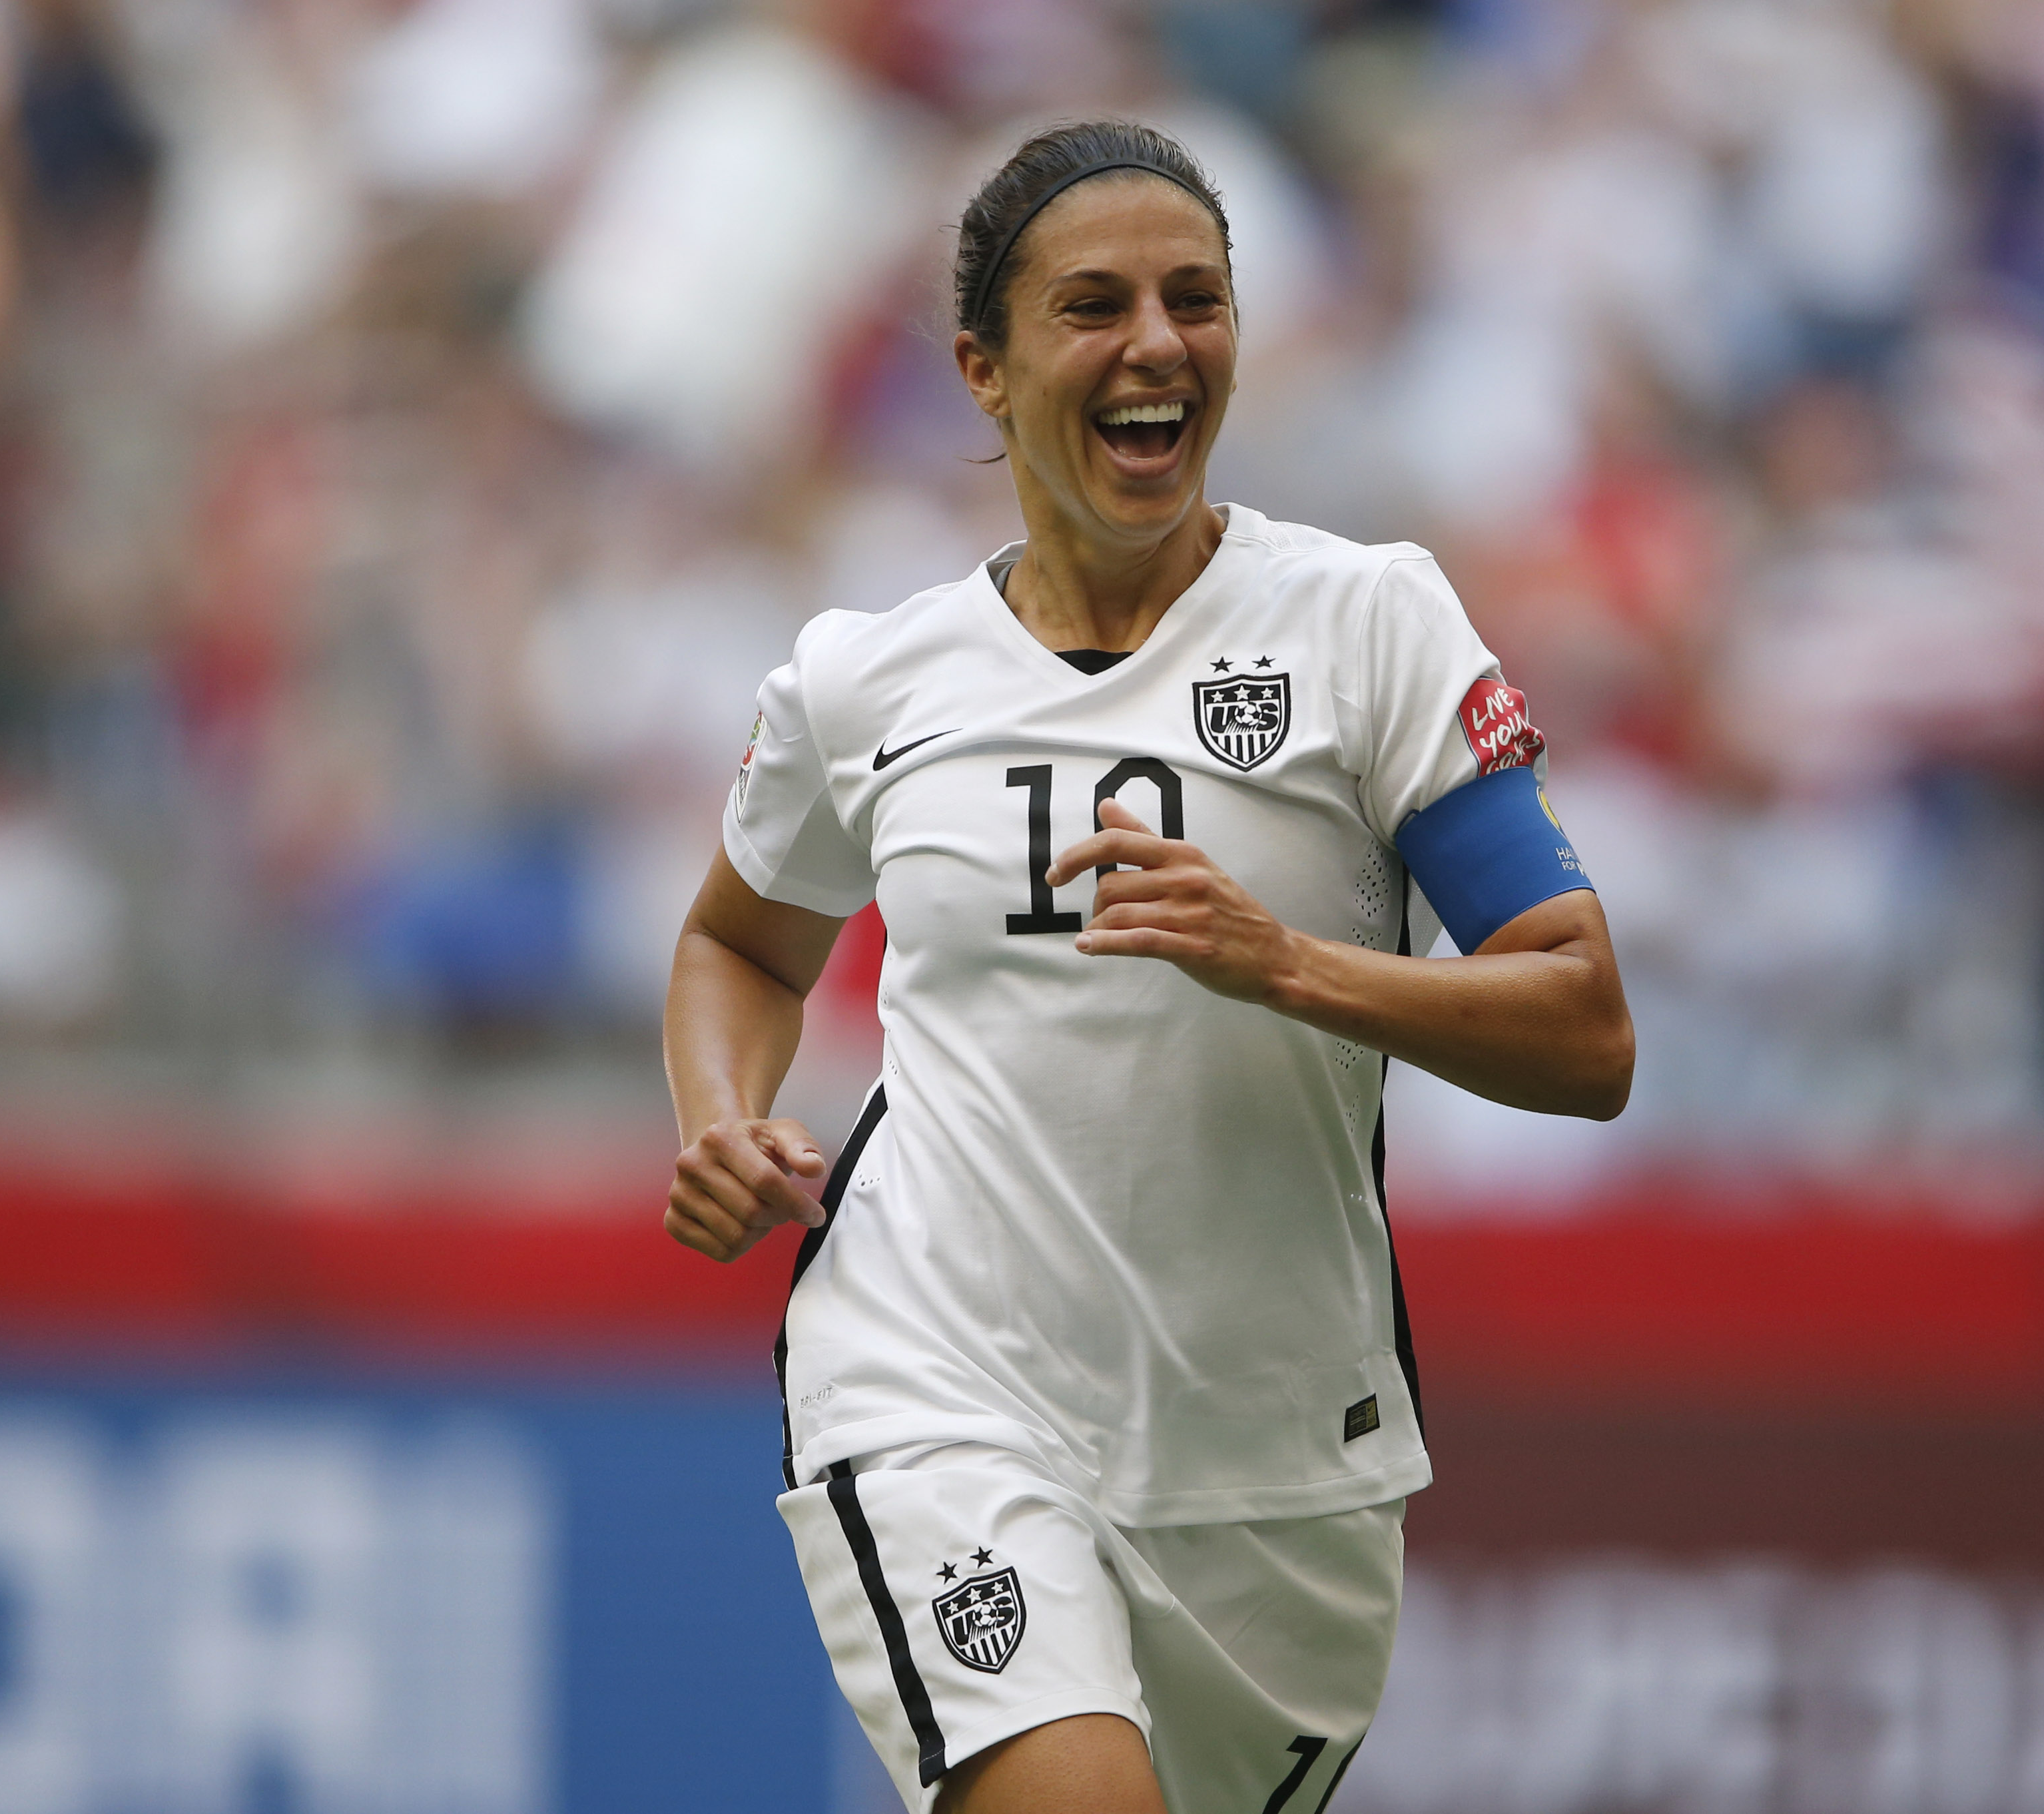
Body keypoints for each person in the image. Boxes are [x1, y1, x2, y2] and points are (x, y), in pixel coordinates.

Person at [662, 120, 1633, 1814]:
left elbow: (1586, 1025)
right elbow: (741, 939)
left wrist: (1293, 965)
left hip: (1277, 1469)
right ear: (984, 368)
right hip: (941, 1379)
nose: (1158, 346)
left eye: (1198, 300)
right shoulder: (863, 683)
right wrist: (720, 1110)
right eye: (1094, 306)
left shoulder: (1371, 625)